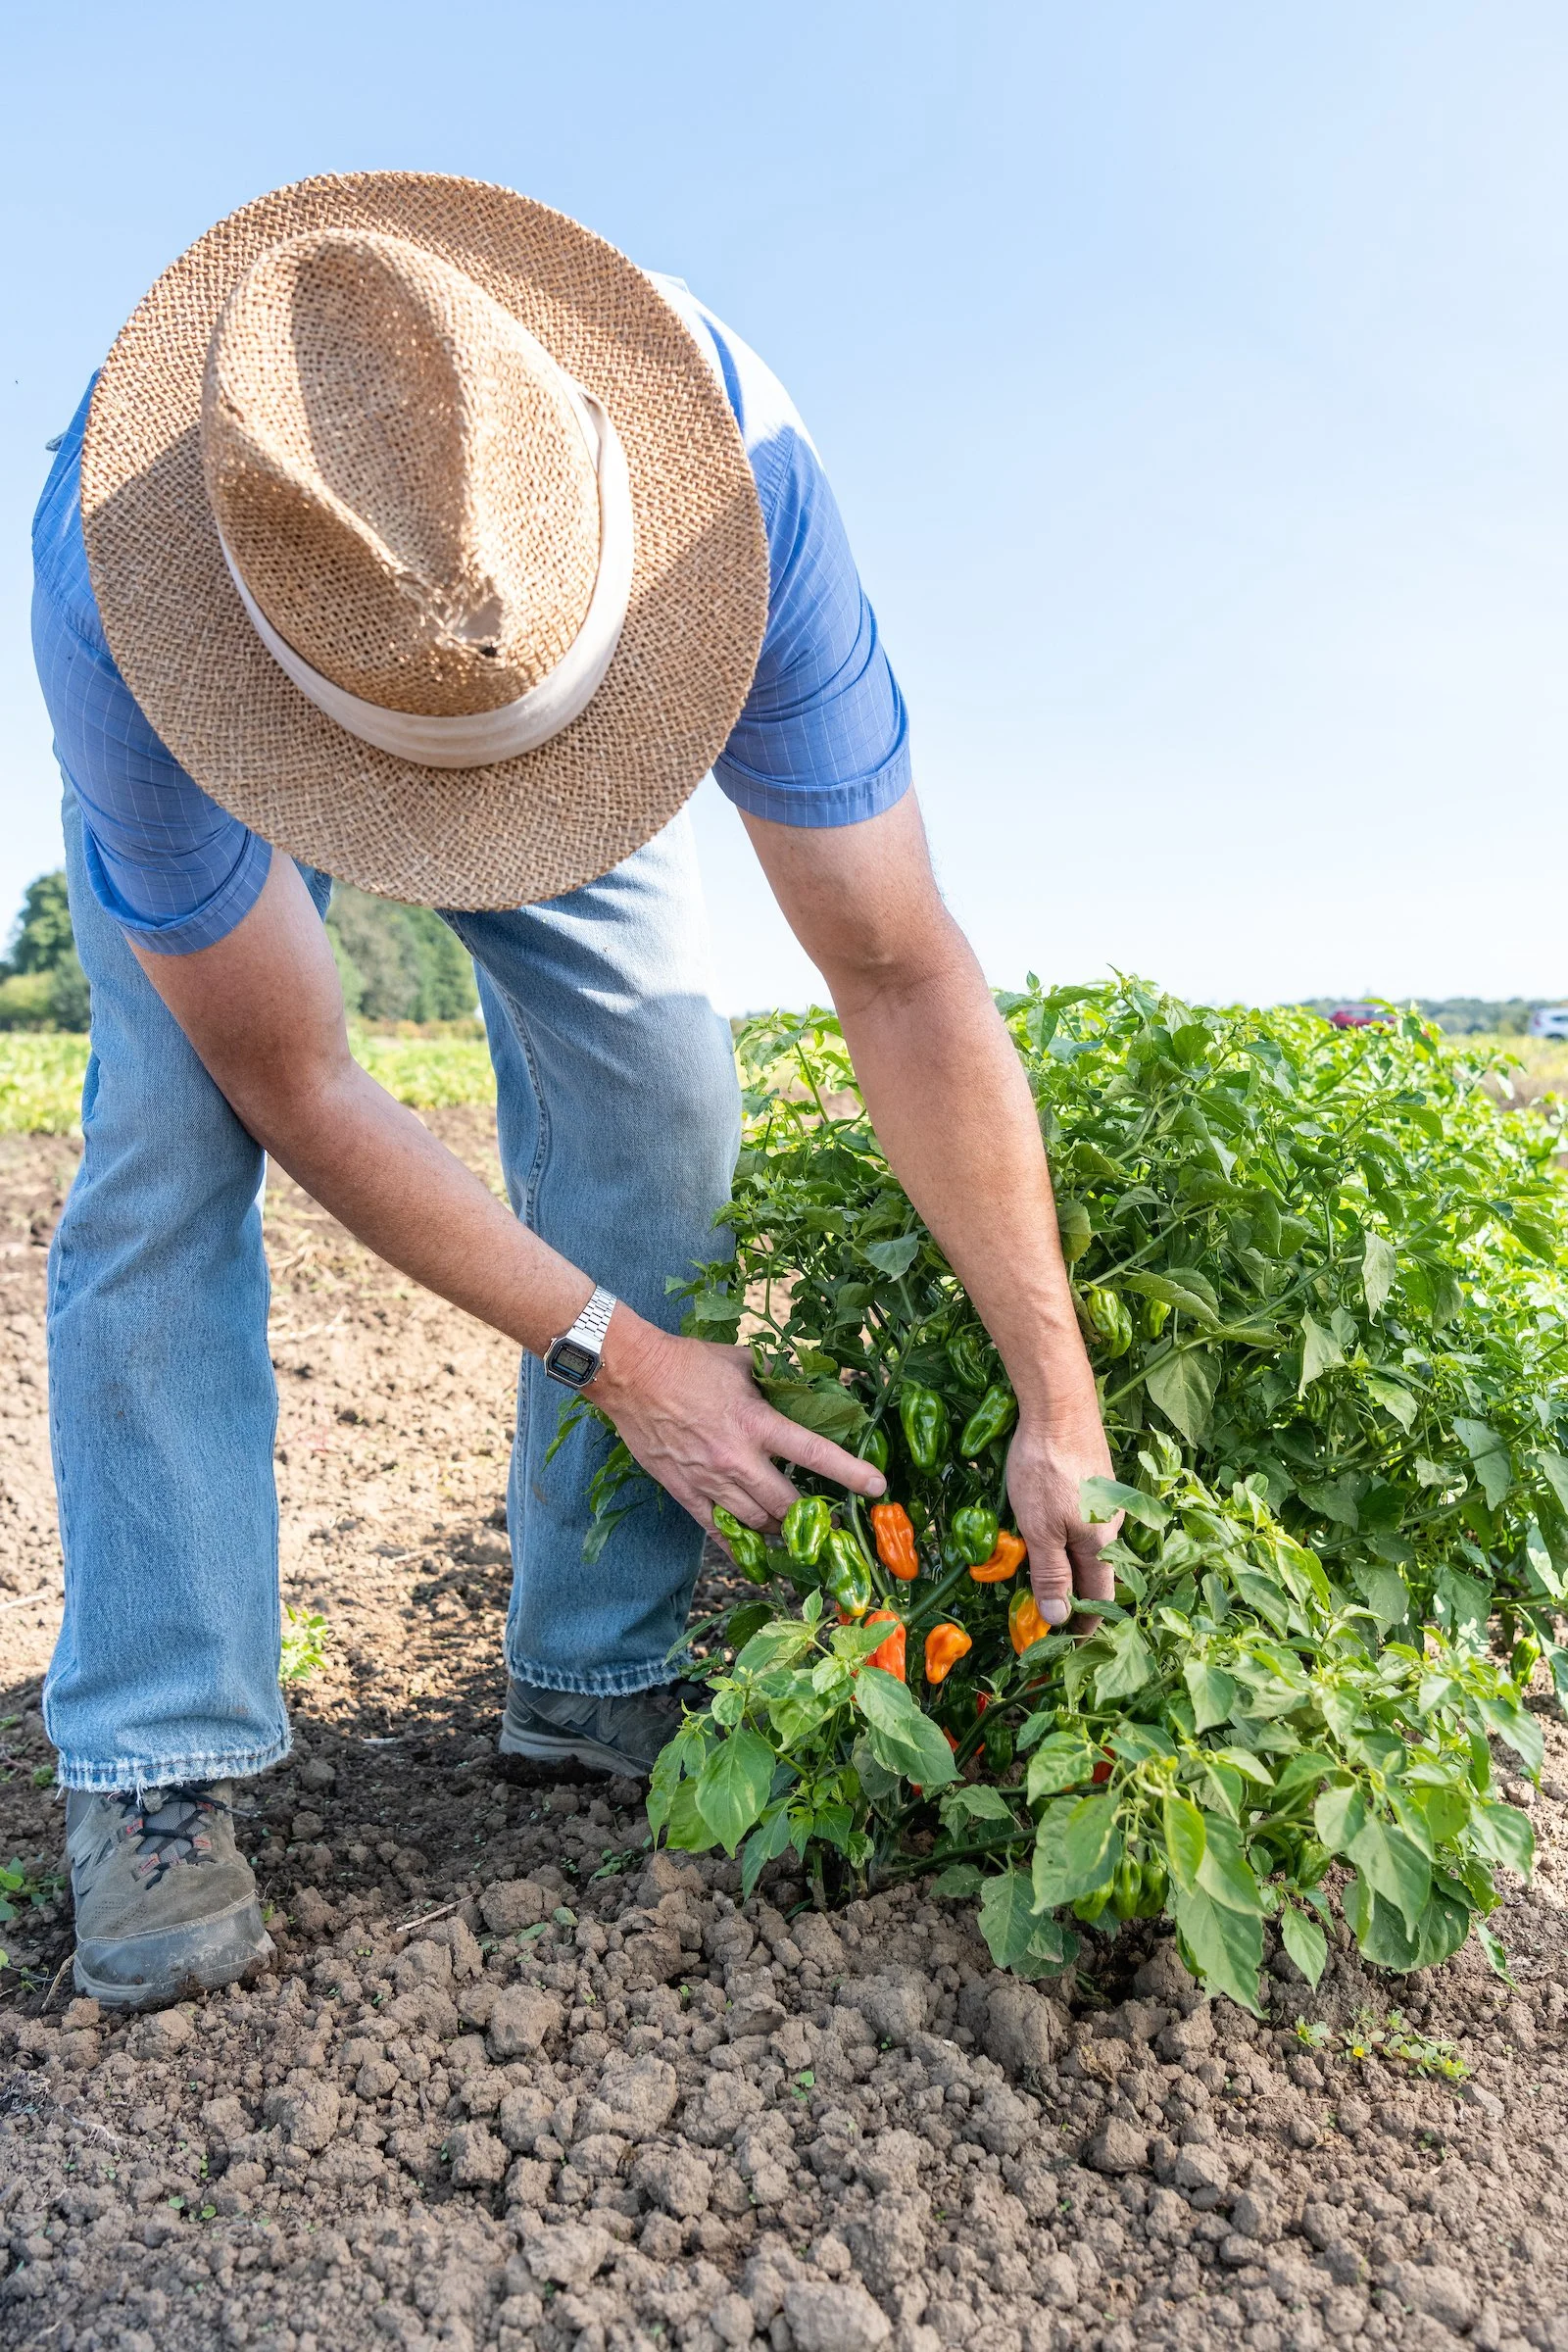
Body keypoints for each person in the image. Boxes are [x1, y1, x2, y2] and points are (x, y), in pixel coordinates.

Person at [30, 172, 1117, 2010]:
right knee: (168, 1143)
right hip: (260, 689)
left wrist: (1057, 1386)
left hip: (536, 669)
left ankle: (597, 1677)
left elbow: (898, 965)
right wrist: (619, 1355)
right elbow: (300, 1079)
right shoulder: (129, 598)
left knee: (665, 1092)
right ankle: (154, 1750)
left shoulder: (743, 495)